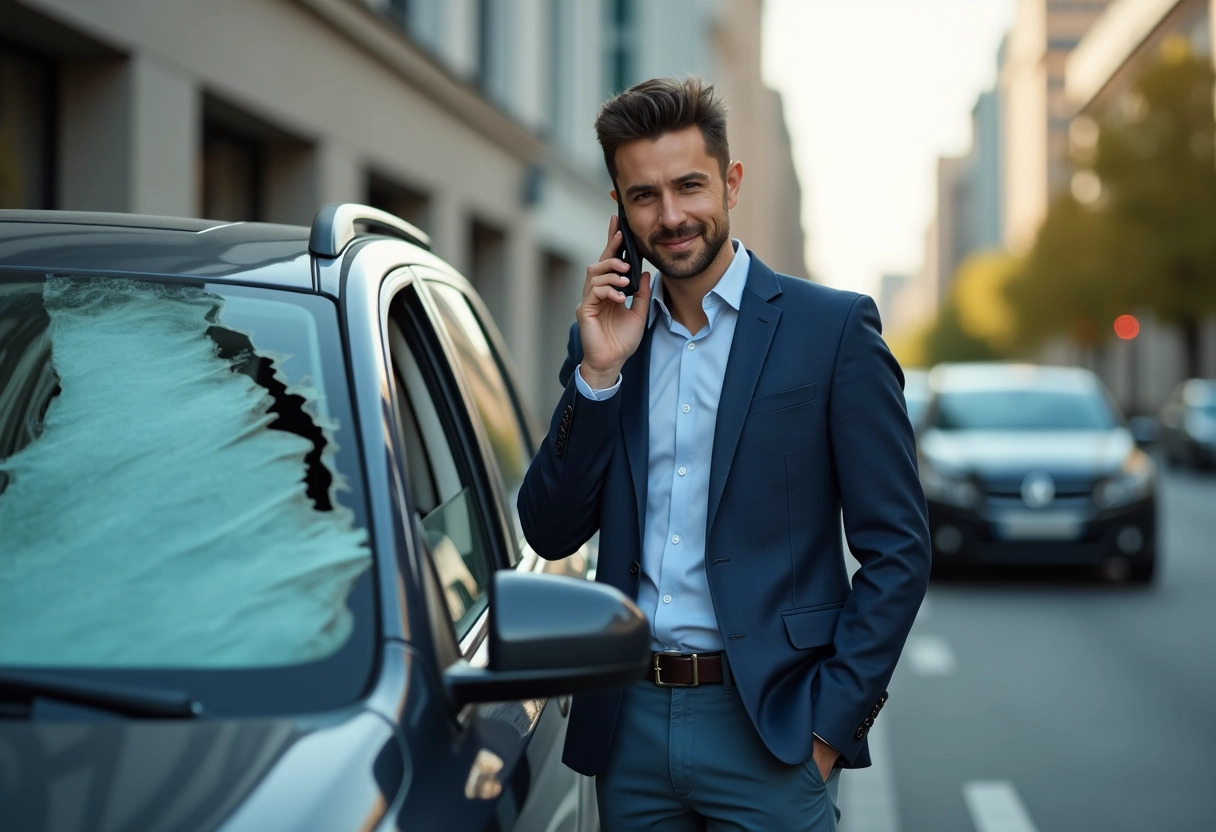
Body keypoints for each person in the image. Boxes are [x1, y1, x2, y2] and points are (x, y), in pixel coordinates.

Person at [518, 76, 930, 832]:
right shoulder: (607, 343)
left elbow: (899, 551)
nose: (671, 216)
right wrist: (598, 376)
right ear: (619, 209)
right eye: (644, 196)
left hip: (772, 732)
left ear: (731, 182)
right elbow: (549, 530)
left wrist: (828, 732)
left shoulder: (832, 332)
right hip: (629, 732)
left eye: (689, 186)